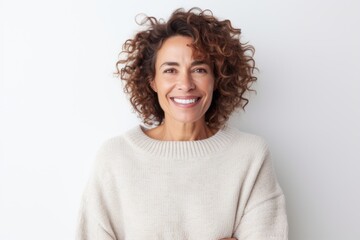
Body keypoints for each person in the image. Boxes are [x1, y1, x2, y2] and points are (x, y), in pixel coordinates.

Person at [76, 7, 288, 240]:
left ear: (216, 79)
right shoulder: (115, 157)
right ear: (152, 81)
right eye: (170, 70)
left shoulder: (250, 155)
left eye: (199, 69)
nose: (185, 84)